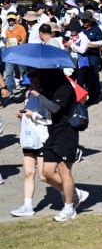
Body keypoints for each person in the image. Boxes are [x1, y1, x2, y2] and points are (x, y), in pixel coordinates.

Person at [30, 68, 88, 221]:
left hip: (67, 133)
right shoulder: (48, 88)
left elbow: (55, 108)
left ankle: (69, 208)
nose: (33, 81)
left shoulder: (64, 87)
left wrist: (38, 95)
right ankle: (75, 193)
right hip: (53, 134)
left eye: (35, 76)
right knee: (46, 173)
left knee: (64, 171)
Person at [10, 88, 49, 217]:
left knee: (44, 176)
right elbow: (28, 115)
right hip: (28, 139)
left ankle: (72, 192)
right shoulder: (29, 93)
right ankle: (28, 206)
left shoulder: (46, 93)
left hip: (42, 138)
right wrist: (22, 116)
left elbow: (49, 119)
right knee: (28, 173)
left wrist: (32, 115)